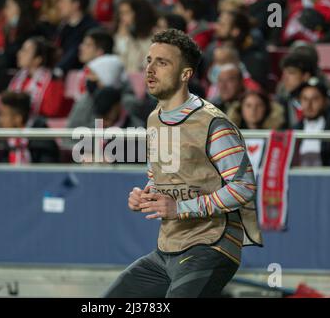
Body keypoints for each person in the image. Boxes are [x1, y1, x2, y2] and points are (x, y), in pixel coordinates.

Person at [104, 29, 262, 298]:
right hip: (168, 248)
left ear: (185, 74)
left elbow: (244, 187)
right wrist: (147, 193)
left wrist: (181, 208)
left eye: (162, 62)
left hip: (212, 245)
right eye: (149, 60)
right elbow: (160, 173)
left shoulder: (212, 122)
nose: (150, 69)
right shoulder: (155, 118)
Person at [293, 77, 330, 167]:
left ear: (325, 101)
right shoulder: (294, 129)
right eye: (305, 99)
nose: (309, 104)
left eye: (315, 99)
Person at [0, 91, 60, 164]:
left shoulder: (42, 138)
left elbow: (48, 169)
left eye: (4, 115)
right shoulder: (4, 141)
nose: (0, 120)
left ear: (18, 119)